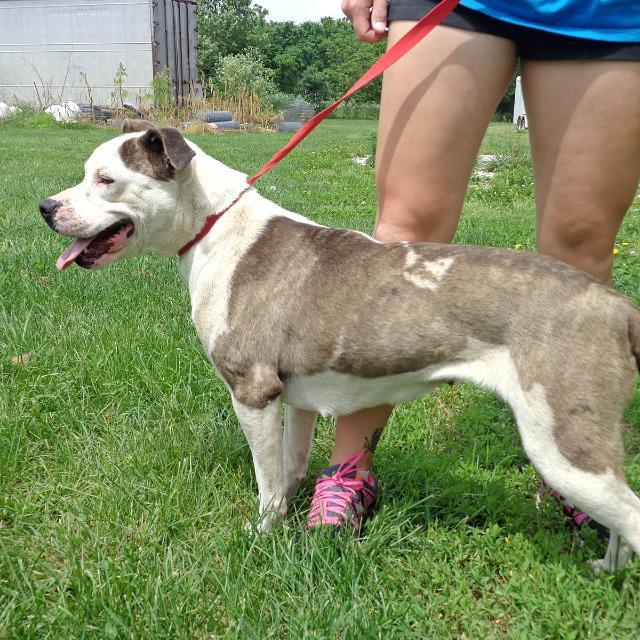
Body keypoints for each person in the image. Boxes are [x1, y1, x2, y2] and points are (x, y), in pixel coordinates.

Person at [306, 0, 640, 531]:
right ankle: (349, 468)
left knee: (582, 243)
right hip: (460, 6)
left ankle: (576, 469)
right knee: (407, 231)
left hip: (605, 11)